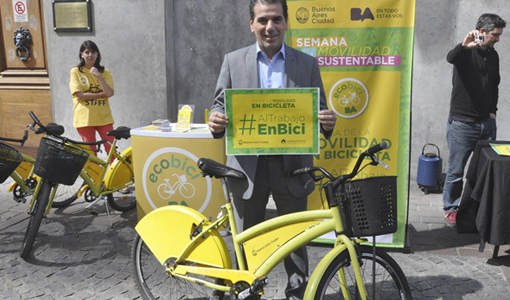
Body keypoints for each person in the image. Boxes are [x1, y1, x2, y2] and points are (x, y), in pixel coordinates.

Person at [208, 0, 336, 299]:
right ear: (251, 24)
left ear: (286, 23)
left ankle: (297, 295)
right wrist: (215, 120)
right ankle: (248, 294)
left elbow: (319, 111)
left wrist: (327, 122)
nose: (270, 27)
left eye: (276, 19)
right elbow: (219, 105)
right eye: (263, 20)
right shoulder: (233, 60)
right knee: (248, 241)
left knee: (295, 240)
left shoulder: (306, 63)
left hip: (291, 166)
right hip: (247, 168)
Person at [443, 13, 506, 226]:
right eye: (495, 35)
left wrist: (493, 112)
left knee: (483, 171)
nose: (498, 39)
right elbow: (451, 57)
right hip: (462, 124)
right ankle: (451, 208)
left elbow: (494, 85)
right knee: (456, 171)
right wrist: (464, 46)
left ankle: (476, 210)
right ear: (482, 32)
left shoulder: (493, 56)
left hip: (486, 124)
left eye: (499, 35)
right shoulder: (464, 53)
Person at [69, 40, 115, 158]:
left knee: (112, 151)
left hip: (104, 118)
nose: (90, 55)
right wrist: (101, 94)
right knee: (91, 155)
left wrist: (98, 76)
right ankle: (95, 177)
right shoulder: (76, 71)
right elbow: (80, 95)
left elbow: (109, 93)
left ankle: (114, 176)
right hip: (85, 119)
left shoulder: (105, 72)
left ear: (97, 54)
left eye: (93, 52)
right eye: (87, 52)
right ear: (81, 54)